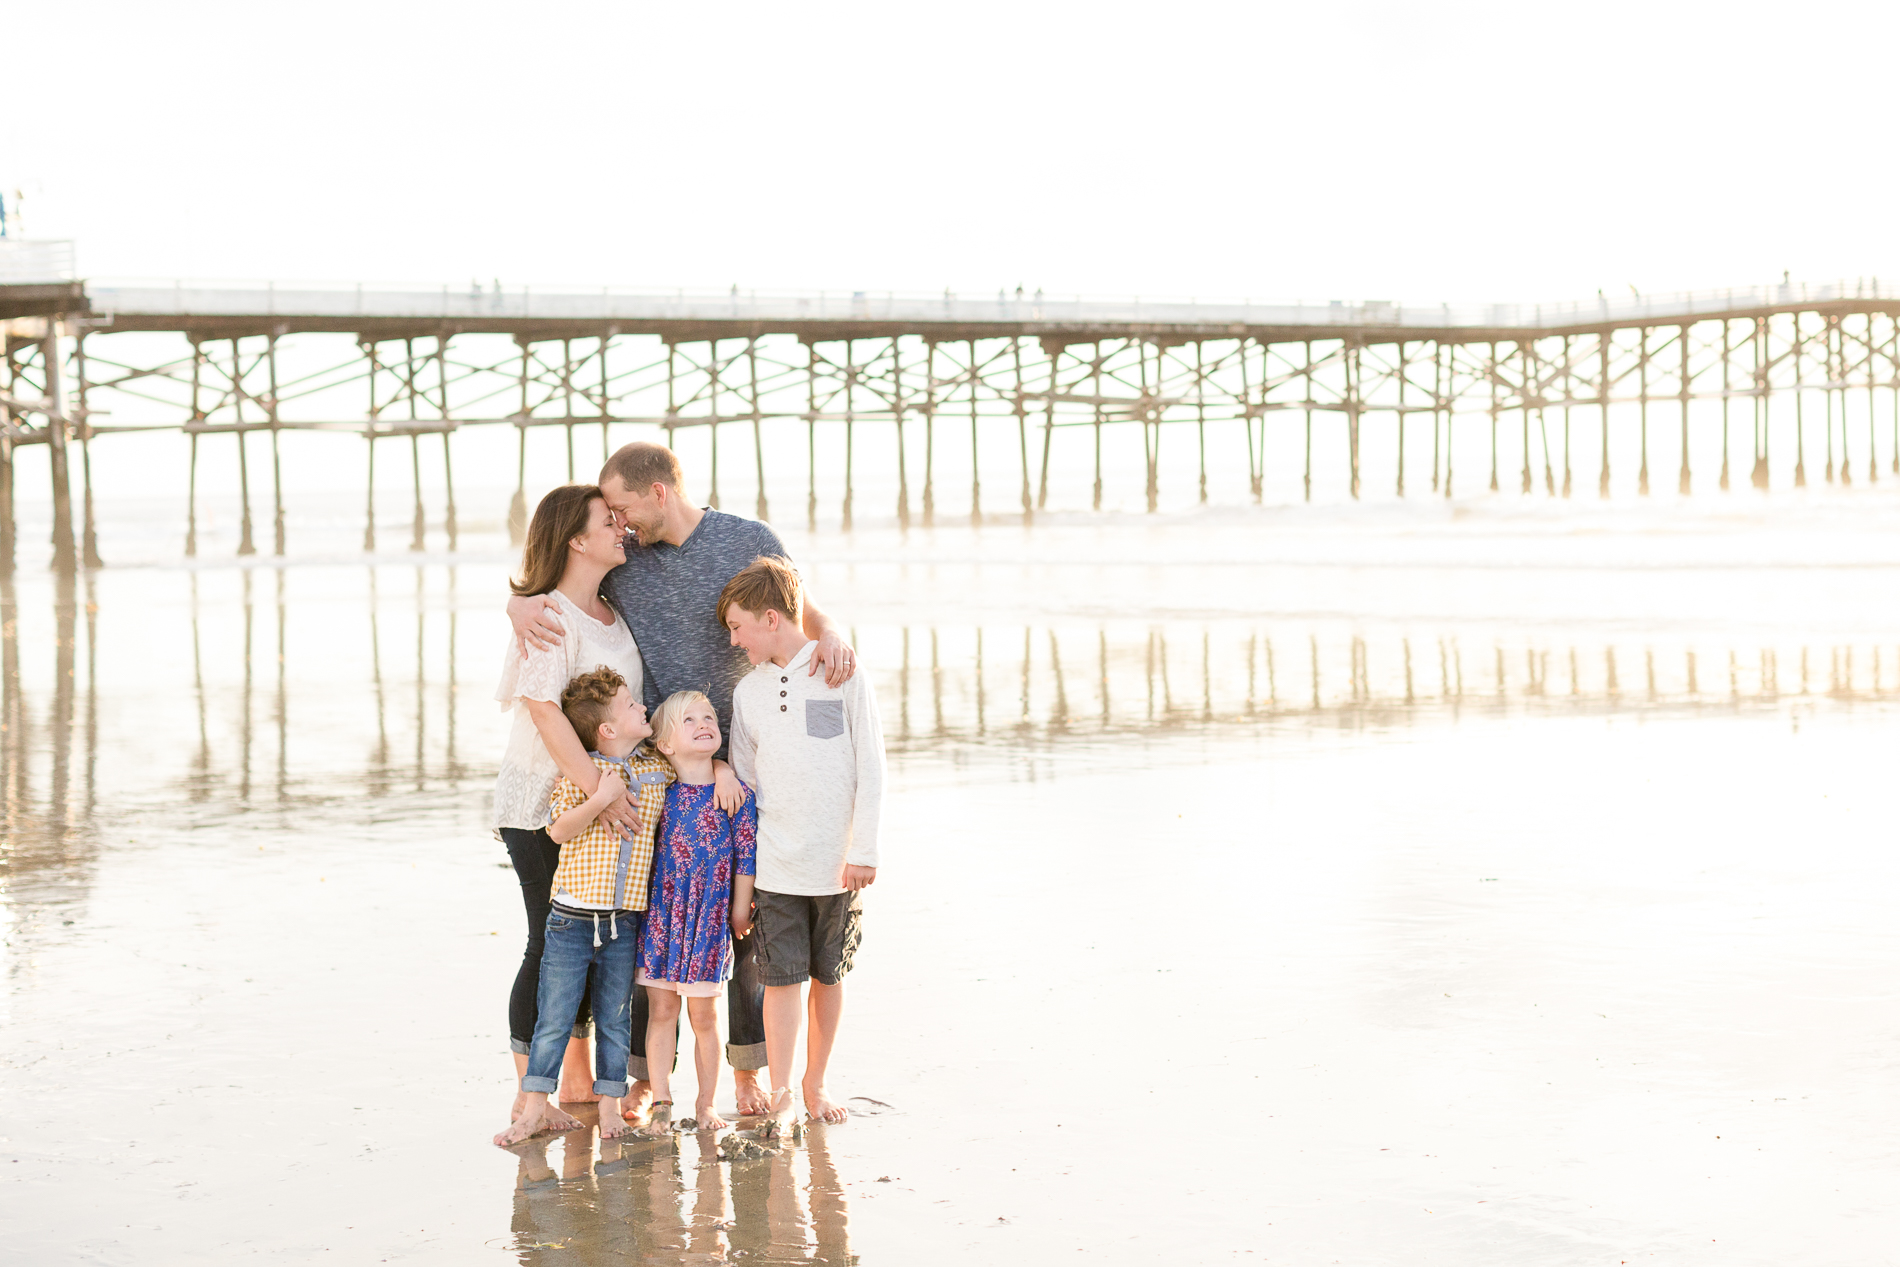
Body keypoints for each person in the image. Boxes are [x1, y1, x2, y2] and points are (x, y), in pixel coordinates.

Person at [506, 441, 859, 1121]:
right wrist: (516, 603)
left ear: (659, 493)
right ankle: (646, 1077)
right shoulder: (625, 558)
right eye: (610, 514)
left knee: (743, 919)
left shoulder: (747, 539)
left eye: (624, 506)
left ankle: (748, 1070)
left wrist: (835, 633)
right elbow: (560, 577)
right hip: (662, 763)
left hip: (746, 749)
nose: (619, 520)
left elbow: (801, 608)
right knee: (658, 919)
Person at [493, 483, 645, 1128]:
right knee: (548, 945)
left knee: (594, 943)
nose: (621, 528)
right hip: (542, 804)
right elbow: (543, 709)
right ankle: (531, 1095)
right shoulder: (550, 614)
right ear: (576, 540)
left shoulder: (611, 607)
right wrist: (599, 792)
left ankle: (568, 1087)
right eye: (606, 522)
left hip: (597, 800)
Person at [721, 556, 884, 1132]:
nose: (734, 641)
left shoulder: (840, 673)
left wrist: (862, 849)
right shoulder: (748, 695)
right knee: (780, 980)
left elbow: (871, 764)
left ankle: (817, 1081)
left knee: (828, 976)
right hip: (776, 866)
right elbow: (746, 783)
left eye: (738, 627)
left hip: (837, 867)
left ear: (771, 618)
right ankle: (785, 1087)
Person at [494, 666, 673, 1146]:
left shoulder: (657, 772)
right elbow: (558, 831)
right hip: (570, 919)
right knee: (555, 1016)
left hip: (623, 922)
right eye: (631, 704)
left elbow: (695, 767)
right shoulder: (580, 776)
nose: (643, 707)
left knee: (614, 1018)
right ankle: (533, 1108)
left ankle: (610, 1108)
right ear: (608, 729)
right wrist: (601, 796)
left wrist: (718, 769)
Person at [636, 690, 758, 1136]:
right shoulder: (658, 791)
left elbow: (746, 855)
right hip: (664, 917)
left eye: (709, 716)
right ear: (665, 744)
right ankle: (663, 1102)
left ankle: (706, 1104)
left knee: (705, 1017)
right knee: (662, 1011)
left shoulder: (734, 794)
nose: (704, 722)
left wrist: (740, 910)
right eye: (689, 719)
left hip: (708, 919)